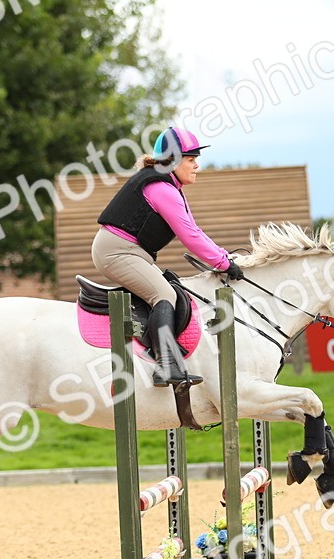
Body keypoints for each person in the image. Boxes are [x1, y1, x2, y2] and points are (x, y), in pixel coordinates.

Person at [93, 126, 243, 389]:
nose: (197, 165)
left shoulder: (168, 185)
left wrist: (224, 257)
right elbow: (190, 237)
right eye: (191, 159)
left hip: (128, 250)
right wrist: (224, 264)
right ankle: (165, 365)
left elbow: (194, 230)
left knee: (169, 290)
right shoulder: (162, 189)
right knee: (165, 295)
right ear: (173, 160)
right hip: (116, 251)